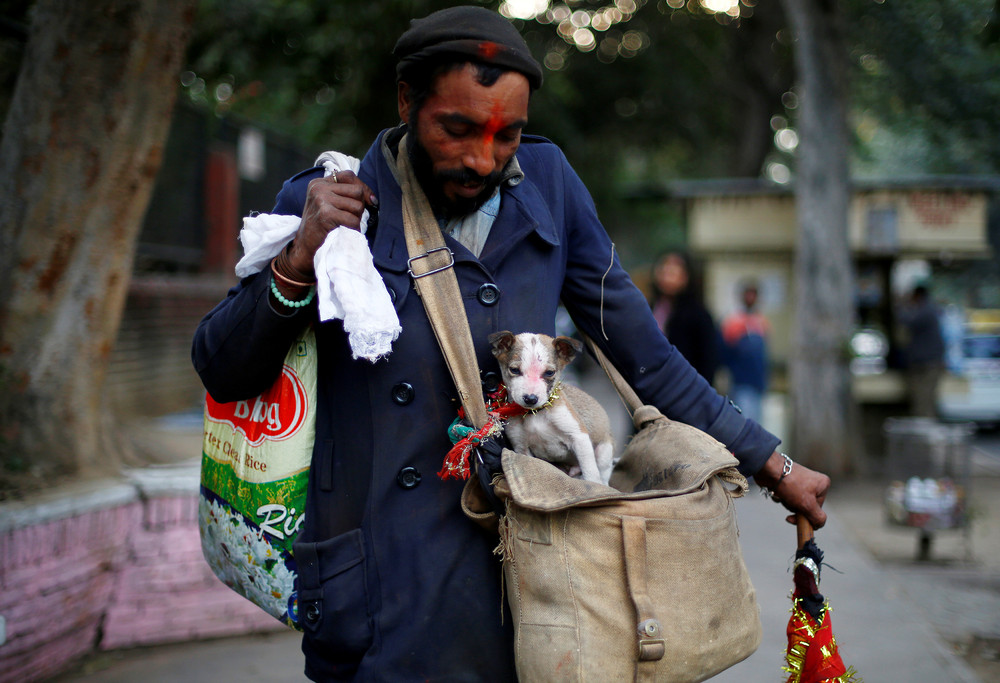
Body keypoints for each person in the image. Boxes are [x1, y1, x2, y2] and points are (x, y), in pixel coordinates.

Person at [192, 7, 831, 681]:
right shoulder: (333, 199)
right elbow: (223, 367)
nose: (482, 157)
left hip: (527, 582)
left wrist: (775, 466)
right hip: (378, 591)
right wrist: (297, 258)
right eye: (458, 129)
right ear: (408, 100)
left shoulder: (550, 185)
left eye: (508, 135)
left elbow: (648, 360)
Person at [649, 250, 720, 384]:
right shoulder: (650, 308)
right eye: (664, 268)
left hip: (684, 390)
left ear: (687, 276)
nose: (668, 274)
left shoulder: (699, 315)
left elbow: (708, 362)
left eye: (674, 270)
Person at [721, 279, 770, 424]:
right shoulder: (733, 321)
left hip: (758, 382)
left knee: (757, 423)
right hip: (741, 382)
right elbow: (726, 352)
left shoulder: (761, 321)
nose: (751, 298)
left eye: (753, 295)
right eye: (748, 294)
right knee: (744, 423)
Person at [898, 283, 946, 417]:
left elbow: (906, 320)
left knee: (924, 401)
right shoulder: (928, 309)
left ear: (917, 296)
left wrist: (902, 304)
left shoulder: (925, 310)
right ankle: (925, 428)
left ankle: (925, 431)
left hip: (928, 363)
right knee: (922, 400)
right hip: (926, 361)